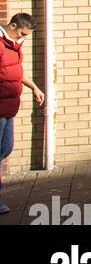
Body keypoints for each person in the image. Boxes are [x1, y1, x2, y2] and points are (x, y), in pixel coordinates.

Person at [0, 13, 45, 216]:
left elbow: (16, 70)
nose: (23, 38)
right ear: (13, 25)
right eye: (22, 33)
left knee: (6, 148)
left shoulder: (13, 47)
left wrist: (34, 87)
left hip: (9, 107)